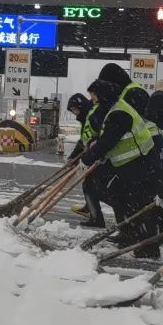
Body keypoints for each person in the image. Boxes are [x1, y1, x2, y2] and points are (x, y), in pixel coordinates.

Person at [79, 77, 163, 257]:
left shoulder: (119, 113)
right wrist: (95, 146)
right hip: (130, 164)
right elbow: (106, 138)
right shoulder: (113, 110)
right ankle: (129, 233)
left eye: (94, 96)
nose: (92, 100)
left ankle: (149, 247)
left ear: (102, 96)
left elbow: (110, 140)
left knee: (139, 204)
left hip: (141, 163)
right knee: (118, 195)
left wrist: (88, 158)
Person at [66, 93, 106, 228]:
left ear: (80, 106)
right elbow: (83, 141)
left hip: (103, 156)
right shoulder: (86, 118)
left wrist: (90, 154)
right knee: (91, 184)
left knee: (90, 185)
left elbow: (98, 137)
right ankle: (90, 208)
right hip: (98, 155)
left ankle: (96, 218)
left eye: (74, 110)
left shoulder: (93, 116)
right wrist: (73, 157)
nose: (74, 113)